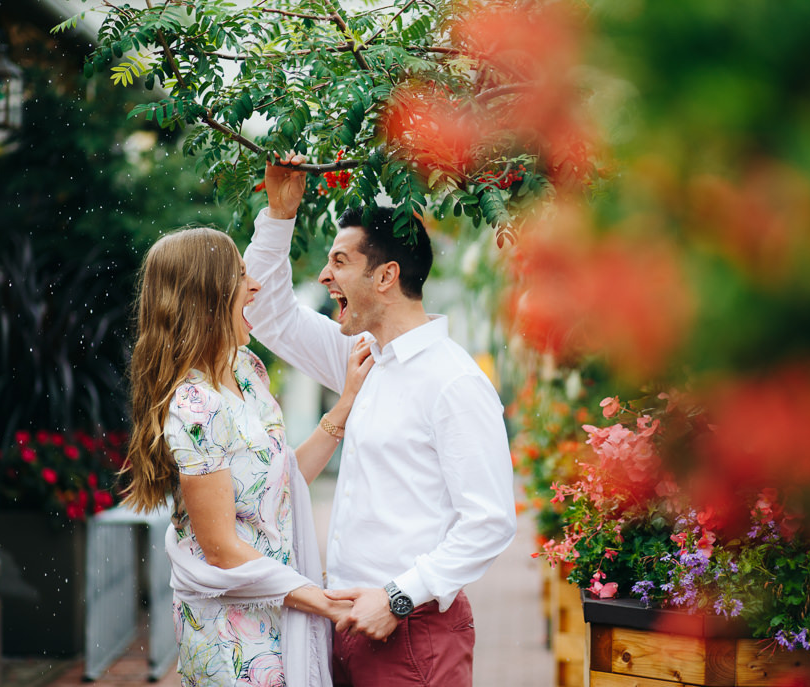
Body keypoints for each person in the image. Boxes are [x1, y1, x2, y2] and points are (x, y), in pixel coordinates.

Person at [243, 153, 518, 686]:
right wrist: (278, 214)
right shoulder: (361, 358)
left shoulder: (454, 381)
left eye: (340, 261)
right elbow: (265, 314)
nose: (325, 275)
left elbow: (489, 521)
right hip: (345, 624)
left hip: (414, 633)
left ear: (387, 276)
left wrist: (397, 598)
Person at [122, 226, 375, 686]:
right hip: (231, 635)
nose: (255, 286)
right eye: (240, 275)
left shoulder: (246, 369)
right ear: (207, 296)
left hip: (282, 607)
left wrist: (346, 404)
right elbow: (221, 551)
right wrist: (324, 602)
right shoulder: (195, 407)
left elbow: (279, 483)